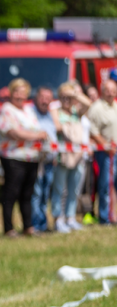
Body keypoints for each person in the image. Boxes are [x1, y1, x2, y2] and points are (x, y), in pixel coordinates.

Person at [0, 78, 47, 236]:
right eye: (17, 92)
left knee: (28, 193)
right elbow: (13, 133)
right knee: (11, 193)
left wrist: (35, 135)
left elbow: (36, 129)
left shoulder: (28, 109)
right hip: (13, 157)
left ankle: (28, 226)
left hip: (31, 157)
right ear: (11, 93)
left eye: (23, 92)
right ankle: (8, 228)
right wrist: (36, 136)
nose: (20, 96)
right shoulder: (7, 109)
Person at [51, 83, 90, 232]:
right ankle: (58, 218)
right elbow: (58, 127)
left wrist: (75, 95)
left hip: (78, 155)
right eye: (64, 97)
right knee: (60, 189)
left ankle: (70, 217)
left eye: (69, 97)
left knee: (74, 189)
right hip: (63, 156)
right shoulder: (56, 110)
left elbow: (88, 104)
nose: (67, 100)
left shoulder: (76, 111)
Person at [87, 79, 117, 224]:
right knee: (105, 185)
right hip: (104, 153)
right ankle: (105, 217)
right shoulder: (97, 108)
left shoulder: (115, 106)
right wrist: (106, 146)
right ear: (102, 91)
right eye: (108, 90)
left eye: (113, 90)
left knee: (114, 185)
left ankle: (113, 214)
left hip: (115, 152)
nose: (111, 93)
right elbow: (93, 131)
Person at [30, 87, 58, 231]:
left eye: (48, 98)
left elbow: (53, 135)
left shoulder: (50, 115)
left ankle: (43, 223)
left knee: (45, 193)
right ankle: (36, 223)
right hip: (36, 160)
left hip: (49, 160)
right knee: (37, 192)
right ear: (36, 97)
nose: (45, 100)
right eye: (42, 97)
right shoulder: (30, 112)